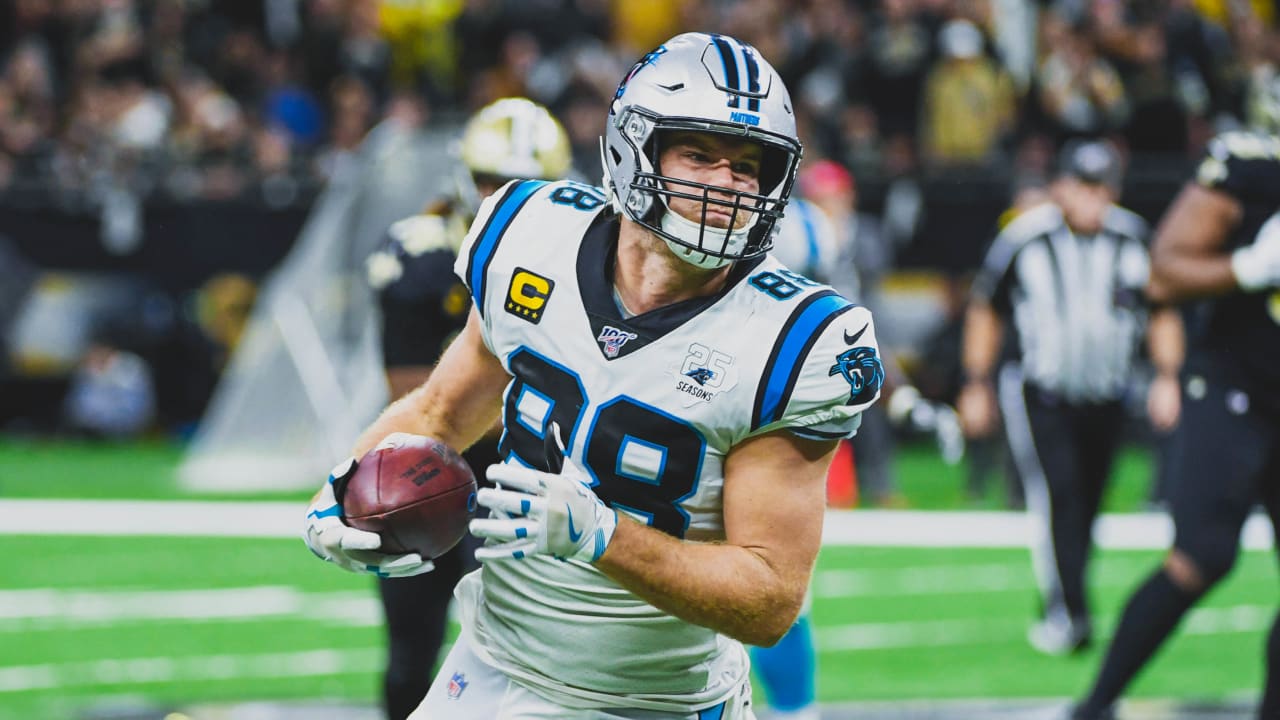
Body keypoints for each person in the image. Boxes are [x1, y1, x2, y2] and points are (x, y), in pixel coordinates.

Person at [305, 32, 883, 719]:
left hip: (654, 703)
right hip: (489, 669)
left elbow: (768, 598)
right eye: (700, 153)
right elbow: (438, 414)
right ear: (631, 149)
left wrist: (600, 534)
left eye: (749, 166)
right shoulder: (530, 235)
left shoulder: (792, 341)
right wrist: (346, 485)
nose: (728, 183)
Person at [362, 97, 572, 720]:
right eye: (488, 181)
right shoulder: (421, 256)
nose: (499, 199)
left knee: (535, 661)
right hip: (429, 468)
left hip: (529, 476)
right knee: (412, 651)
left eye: (521, 185)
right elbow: (428, 404)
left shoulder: (589, 261)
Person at [1070, 130, 1280, 719]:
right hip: (1237, 384)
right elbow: (1163, 273)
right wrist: (1248, 265)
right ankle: (1095, 706)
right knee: (1202, 555)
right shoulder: (1253, 172)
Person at [958, 139, 1183, 656]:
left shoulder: (1132, 238)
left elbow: (1162, 309)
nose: (1093, 198)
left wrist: (1167, 375)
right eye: (1084, 185)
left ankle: (1067, 603)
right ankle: (1070, 614)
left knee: (1089, 504)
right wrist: (976, 383)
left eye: (1102, 186)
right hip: (1042, 392)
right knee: (1059, 495)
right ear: (1062, 187)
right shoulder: (1025, 237)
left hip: (1106, 394)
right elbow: (984, 308)